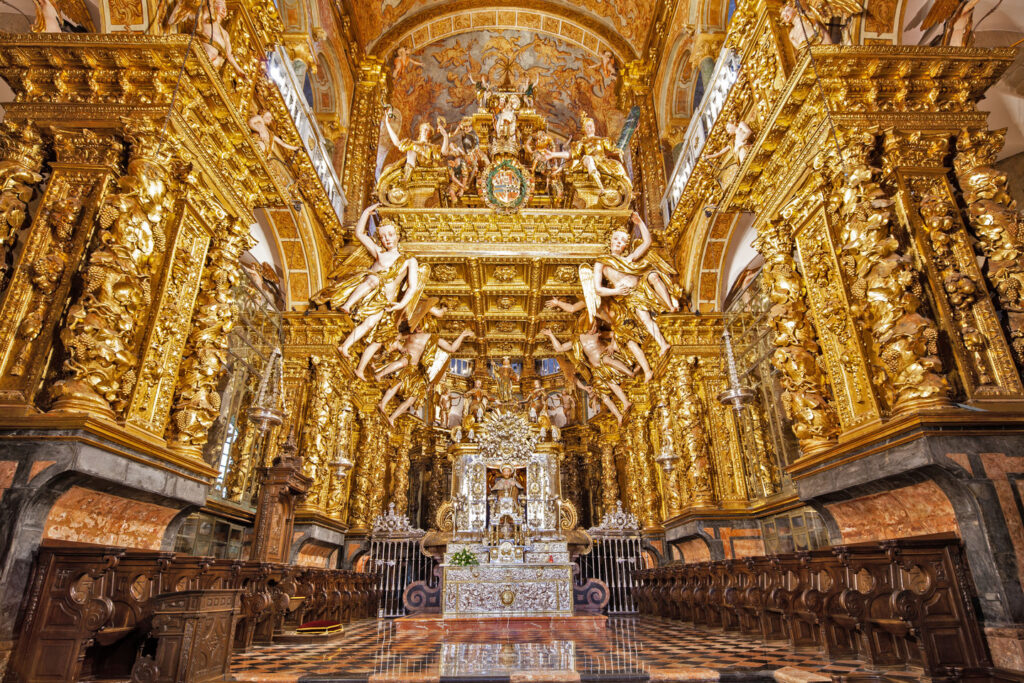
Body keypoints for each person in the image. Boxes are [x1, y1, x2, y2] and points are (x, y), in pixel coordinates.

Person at [310, 204, 421, 370]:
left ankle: (345, 346)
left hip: (384, 300)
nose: (387, 239)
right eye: (383, 237)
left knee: (370, 324)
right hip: (369, 287)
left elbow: (412, 286)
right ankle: (347, 305)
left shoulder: (409, 260)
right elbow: (359, 234)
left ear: (398, 235)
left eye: (390, 235)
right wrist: (365, 213)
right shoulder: (379, 252)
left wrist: (401, 304)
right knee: (373, 280)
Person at [593, 211, 681, 357]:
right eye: (616, 239)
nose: (618, 242)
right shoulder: (601, 263)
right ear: (610, 241)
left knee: (653, 276)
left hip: (642, 285)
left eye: (622, 241)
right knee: (645, 319)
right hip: (629, 295)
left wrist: (640, 223)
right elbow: (598, 289)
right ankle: (663, 344)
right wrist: (616, 292)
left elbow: (647, 243)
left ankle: (670, 305)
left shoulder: (629, 259)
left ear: (625, 246)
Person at [545, 114, 629, 196]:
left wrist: (628, 134)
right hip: (588, 162)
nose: (590, 127)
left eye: (591, 125)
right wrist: (553, 154)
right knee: (588, 159)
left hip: (602, 162)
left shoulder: (602, 140)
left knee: (618, 166)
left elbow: (615, 149)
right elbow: (570, 154)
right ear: (584, 130)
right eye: (588, 126)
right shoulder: (581, 143)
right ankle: (599, 185)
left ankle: (628, 190)